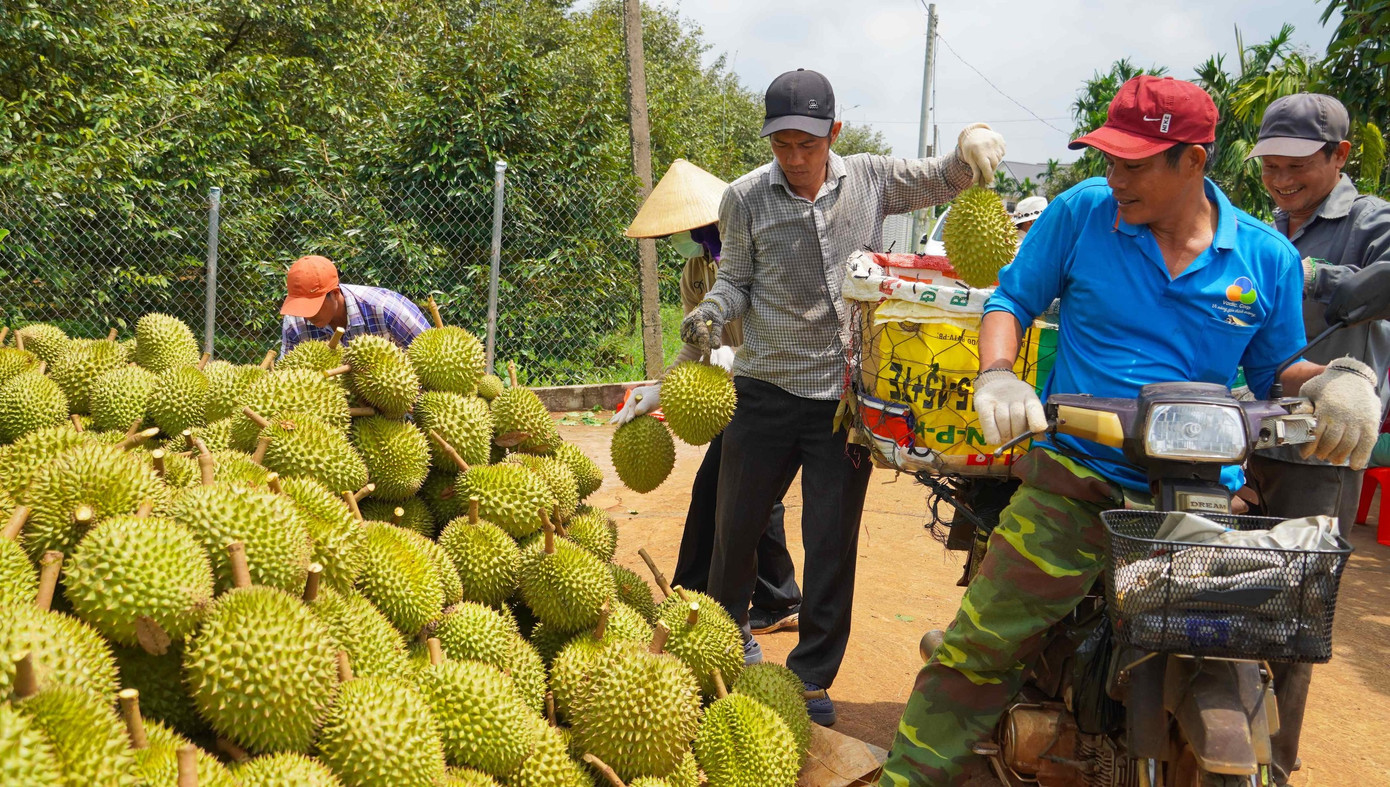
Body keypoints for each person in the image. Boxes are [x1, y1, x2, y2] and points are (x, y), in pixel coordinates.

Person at [879, 75, 1380, 785]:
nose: (1114, 177)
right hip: (1077, 477)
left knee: (1257, 652)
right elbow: (1012, 300)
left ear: (1194, 162)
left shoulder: (1264, 258)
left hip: (1200, 498)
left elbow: (1277, 370)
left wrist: (1335, 382)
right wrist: (999, 373)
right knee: (980, 649)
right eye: (1109, 159)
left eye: (1134, 164)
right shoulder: (1083, 214)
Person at [682, 67, 1007, 726]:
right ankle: (728, 647)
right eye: (782, 145)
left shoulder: (871, 178)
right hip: (765, 390)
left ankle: (810, 678)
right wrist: (711, 311)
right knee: (735, 531)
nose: (795, 158)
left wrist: (972, 148)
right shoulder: (745, 198)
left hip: (840, 401)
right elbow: (737, 279)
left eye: (807, 143)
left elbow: (943, 176)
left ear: (832, 133)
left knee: (830, 543)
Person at [1239, 92, 1390, 783]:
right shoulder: (1266, 226)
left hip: (1319, 456)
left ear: (1340, 156)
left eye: (1297, 164)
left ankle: (1274, 765)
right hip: (1246, 440)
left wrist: (1311, 275)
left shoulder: (1370, 220)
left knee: (1292, 617)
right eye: (1270, 164)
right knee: (1217, 587)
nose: (1280, 178)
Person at [613, 159, 803, 636]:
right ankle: (758, 596)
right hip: (732, 392)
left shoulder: (762, 251)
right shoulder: (696, 270)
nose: (682, 241)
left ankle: (720, 598)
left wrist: (738, 356)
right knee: (726, 490)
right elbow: (695, 341)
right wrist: (657, 391)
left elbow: (786, 327)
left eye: (688, 231)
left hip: (777, 384)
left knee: (741, 492)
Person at [279, 254, 431, 353]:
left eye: (312, 306)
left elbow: (429, 353)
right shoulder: (294, 322)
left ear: (335, 293)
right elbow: (288, 377)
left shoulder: (386, 309)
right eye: (300, 307)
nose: (306, 315)